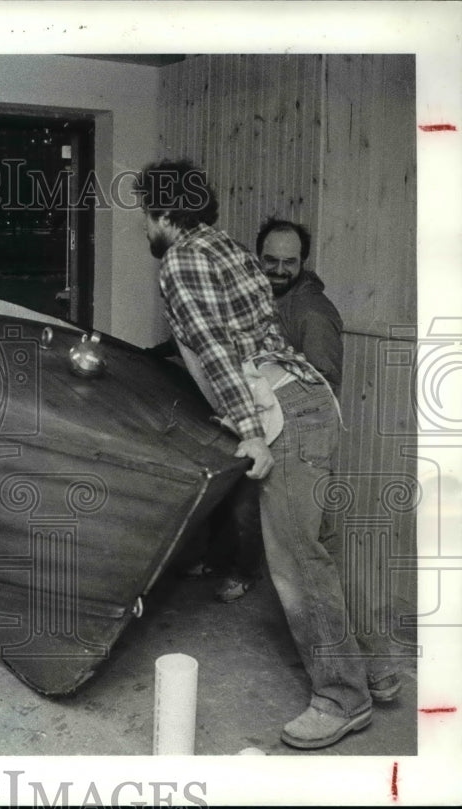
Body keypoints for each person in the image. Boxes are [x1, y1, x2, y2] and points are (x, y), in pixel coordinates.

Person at [135, 159, 378, 749]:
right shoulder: (229, 247)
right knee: (324, 550)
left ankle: (342, 698)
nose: (144, 227)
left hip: (281, 414)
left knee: (298, 567)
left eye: (146, 213)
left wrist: (248, 430)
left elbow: (216, 353)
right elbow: (256, 333)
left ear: (166, 213)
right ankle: (380, 670)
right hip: (312, 401)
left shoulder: (181, 260)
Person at [198, 218, 345, 603]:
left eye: (289, 262)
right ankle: (217, 559)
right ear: (257, 256)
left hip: (293, 429)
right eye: (271, 259)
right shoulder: (254, 294)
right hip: (252, 414)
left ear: (303, 263)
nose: (279, 270)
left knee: (253, 508)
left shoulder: (313, 312)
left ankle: (244, 574)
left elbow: (322, 381)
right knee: (228, 493)